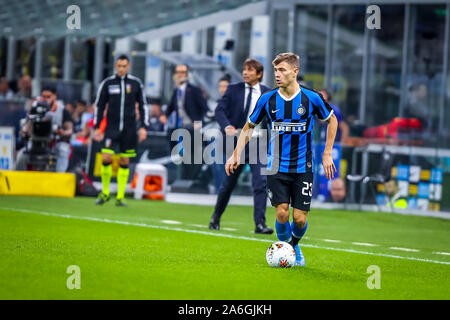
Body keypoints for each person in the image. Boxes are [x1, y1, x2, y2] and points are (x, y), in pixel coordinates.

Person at [225, 53, 338, 266]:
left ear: (295, 72)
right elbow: (249, 126)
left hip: (303, 166)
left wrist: (327, 152)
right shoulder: (268, 99)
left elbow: (332, 120)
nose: (277, 74)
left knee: (300, 218)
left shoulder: (311, 98)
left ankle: (293, 246)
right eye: (276, 70)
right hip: (275, 165)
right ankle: (291, 250)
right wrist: (236, 153)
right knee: (282, 213)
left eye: (282, 70)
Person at [210, 58, 273, 234]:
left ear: (259, 74)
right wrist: (227, 126)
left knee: (260, 183)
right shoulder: (233, 90)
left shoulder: (268, 93)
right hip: (237, 142)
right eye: (244, 69)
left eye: (250, 70)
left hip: (259, 143)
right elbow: (219, 110)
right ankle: (216, 217)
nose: (245, 72)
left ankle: (259, 224)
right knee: (229, 183)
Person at [93, 54, 149, 207]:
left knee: (125, 160)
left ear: (128, 66)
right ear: (115, 66)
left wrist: (144, 126)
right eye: (119, 66)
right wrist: (97, 127)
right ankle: (104, 193)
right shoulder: (108, 83)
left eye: (124, 66)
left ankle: (120, 196)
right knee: (106, 157)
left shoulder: (136, 83)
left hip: (129, 129)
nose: (122, 68)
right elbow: (99, 105)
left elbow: (143, 105)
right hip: (111, 127)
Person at [159, 64, 208, 179]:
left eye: (183, 72)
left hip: (193, 128)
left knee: (192, 155)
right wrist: (164, 115)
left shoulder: (194, 90)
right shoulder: (176, 91)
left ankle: (191, 178)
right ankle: (183, 178)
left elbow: (205, 108)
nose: (180, 75)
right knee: (180, 153)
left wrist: (199, 123)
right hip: (180, 128)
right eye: (178, 72)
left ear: (187, 74)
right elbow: (171, 107)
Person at [16, 86, 74, 172]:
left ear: (55, 96)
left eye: (48, 96)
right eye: (43, 96)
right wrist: (26, 131)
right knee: (21, 155)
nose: (46, 99)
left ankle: (59, 178)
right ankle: (18, 179)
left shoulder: (62, 111)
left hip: (55, 142)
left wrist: (62, 132)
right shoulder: (35, 108)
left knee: (64, 150)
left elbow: (70, 130)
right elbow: (26, 127)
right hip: (36, 142)